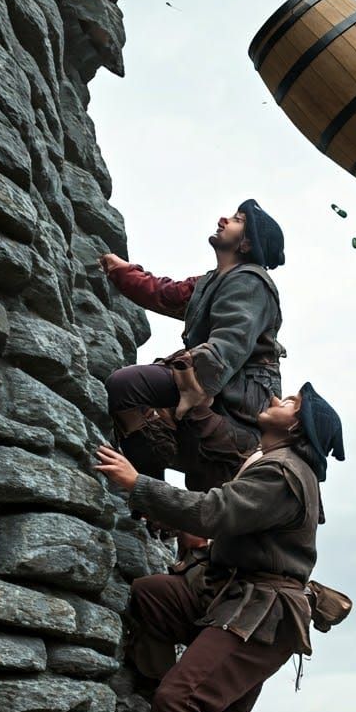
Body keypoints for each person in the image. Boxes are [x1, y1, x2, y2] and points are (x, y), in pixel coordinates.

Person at [94, 382, 345, 712]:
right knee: (156, 602)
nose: (276, 401)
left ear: (297, 427)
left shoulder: (282, 473)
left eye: (290, 403)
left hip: (260, 612)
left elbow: (215, 512)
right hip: (236, 598)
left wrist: (138, 484)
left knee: (182, 700)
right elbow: (229, 523)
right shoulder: (270, 462)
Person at [101, 200, 285, 493]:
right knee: (132, 407)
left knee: (127, 385)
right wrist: (123, 272)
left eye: (237, 220)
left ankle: (149, 496)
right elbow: (166, 294)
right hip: (210, 391)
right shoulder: (211, 282)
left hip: (234, 409)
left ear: (247, 243)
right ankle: (150, 501)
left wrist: (193, 379)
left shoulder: (252, 283)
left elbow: (231, 342)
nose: (223, 219)